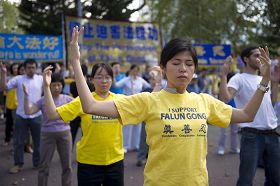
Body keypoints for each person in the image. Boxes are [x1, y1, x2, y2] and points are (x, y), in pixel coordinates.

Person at [68, 26, 272, 186]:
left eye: (189, 64)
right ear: (164, 68)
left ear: (194, 69)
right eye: (176, 63)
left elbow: (246, 114)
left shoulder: (204, 101)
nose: (183, 69)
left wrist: (265, 82)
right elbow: (91, 106)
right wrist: (76, 63)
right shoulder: (148, 100)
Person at [43, 63, 125, 186]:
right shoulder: (84, 101)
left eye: (107, 77)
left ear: (112, 80)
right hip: (89, 164)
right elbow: (52, 114)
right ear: (91, 79)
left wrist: (157, 85)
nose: (104, 81)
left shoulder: (121, 100)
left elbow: (147, 108)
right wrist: (46, 86)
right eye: (99, 77)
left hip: (115, 162)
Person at [219, 46, 279, 186]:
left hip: (272, 134)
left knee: (275, 179)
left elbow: (272, 102)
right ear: (246, 59)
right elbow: (226, 98)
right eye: (256, 55)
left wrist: (274, 82)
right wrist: (223, 75)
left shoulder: (264, 78)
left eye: (261, 56)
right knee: (246, 180)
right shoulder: (238, 78)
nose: (260, 59)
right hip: (252, 135)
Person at [23, 72, 73, 186]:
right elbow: (28, 111)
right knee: (43, 166)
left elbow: (81, 109)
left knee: (67, 166)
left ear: (63, 85)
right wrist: (26, 96)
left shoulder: (68, 99)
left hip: (65, 134)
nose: (56, 88)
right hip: (47, 135)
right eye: (53, 85)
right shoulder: (43, 100)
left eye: (59, 85)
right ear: (49, 86)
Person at [0, 59, 43, 173]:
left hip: (37, 115)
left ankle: (37, 163)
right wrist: (3, 73)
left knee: (38, 142)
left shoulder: (40, 79)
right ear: (24, 68)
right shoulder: (18, 79)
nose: (31, 69)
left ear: (36, 68)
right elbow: (4, 88)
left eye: (33, 67)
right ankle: (18, 164)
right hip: (21, 116)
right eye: (29, 67)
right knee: (18, 142)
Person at [114, 64, 150, 152]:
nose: (135, 72)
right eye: (134, 70)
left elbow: (149, 86)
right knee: (127, 126)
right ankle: (125, 146)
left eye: (137, 70)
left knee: (137, 126)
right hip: (128, 104)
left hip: (138, 104)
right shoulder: (126, 80)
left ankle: (136, 145)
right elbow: (116, 85)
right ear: (130, 70)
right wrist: (113, 75)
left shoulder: (140, 80)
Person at [69, 64, 94, 146]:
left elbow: (72, 95)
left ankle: (69, 153)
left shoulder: (73, 84)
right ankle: (86, 153)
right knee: (86, 133)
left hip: (75, 109)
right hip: (87, 110)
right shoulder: (90, 84)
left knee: (72, 132)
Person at [217, 70, 240, 155]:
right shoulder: (223, 86)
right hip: (224, 111)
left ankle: (234, 148)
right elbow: (220, 98)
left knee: (234, 131)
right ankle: (221, 148)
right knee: (224, 132)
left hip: (235, 111)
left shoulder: (236, 86)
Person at [3, 63, 18, 146]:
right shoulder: (9, 79)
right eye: (14, 68)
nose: (15, 70)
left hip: (18, 105)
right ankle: (7, 139)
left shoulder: (22, 78)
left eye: (17, 68)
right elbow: (4, 88)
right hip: (10, 104)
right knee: (9, 123)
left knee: (17, 125)